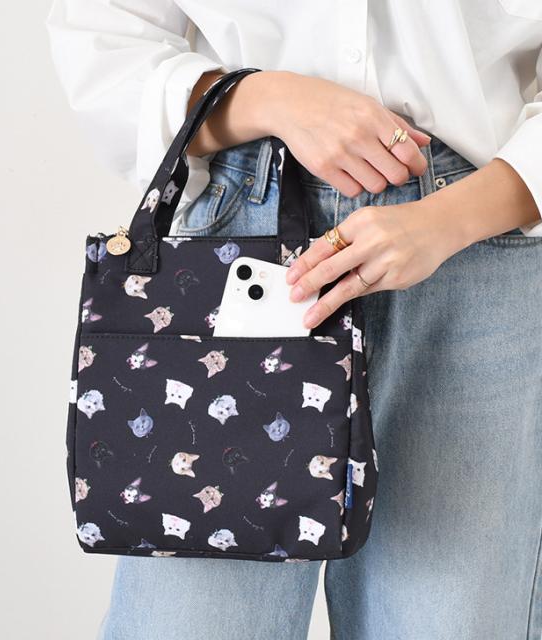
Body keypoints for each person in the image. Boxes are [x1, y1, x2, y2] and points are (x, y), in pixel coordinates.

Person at [45, 2, 542, 638]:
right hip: (234, 240)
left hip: (475, 241)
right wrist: (267, 98)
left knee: (449, 621)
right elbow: (101, 32)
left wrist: (450, 218)